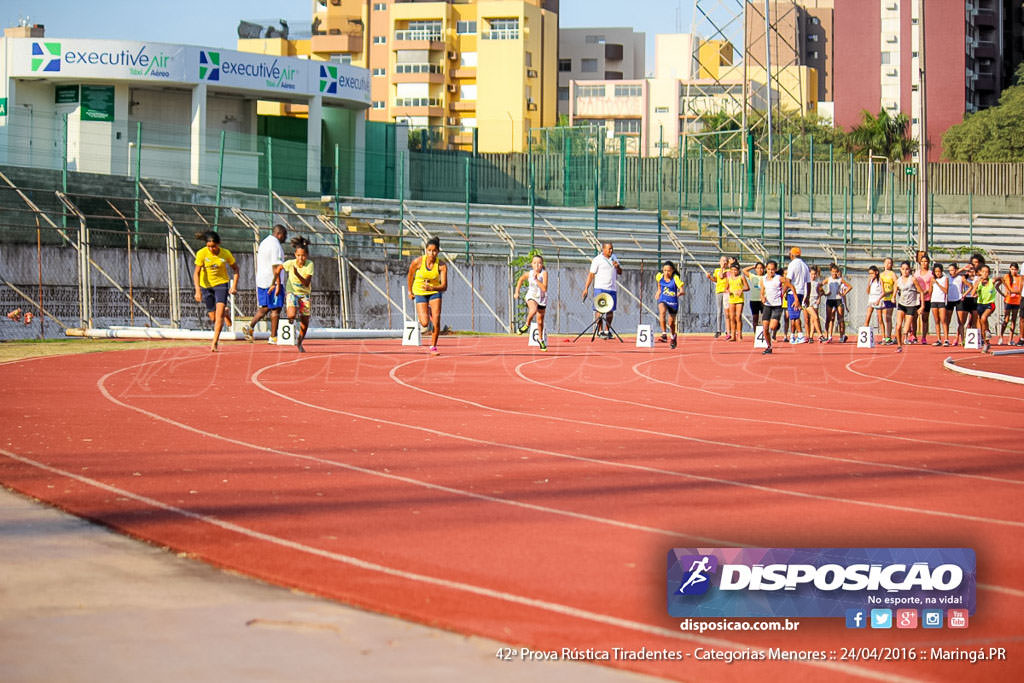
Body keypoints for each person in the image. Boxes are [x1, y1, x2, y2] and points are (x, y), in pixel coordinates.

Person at [192, 230, 239, 352]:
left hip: (221, 285)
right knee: (213, 318)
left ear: (219, 244)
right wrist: (198, 291)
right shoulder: (202, 253)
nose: (211, 249)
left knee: (218, 317)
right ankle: (225, 312)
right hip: (206, 286)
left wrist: (234, 286)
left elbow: (236, 269)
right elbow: (196, 273)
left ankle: (214, 343)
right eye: (209, 247)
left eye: (214, 246)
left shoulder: (225, 254)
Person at [244, 224, 287, 344]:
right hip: (271, 281)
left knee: (265, 307)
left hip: (262, 280)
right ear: (280, 234)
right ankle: (273, 337)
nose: (285, 238)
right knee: (276, 309)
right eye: (285, 235)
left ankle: (250, 326)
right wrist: (277, 284)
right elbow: (275, 266)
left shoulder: (265, 242)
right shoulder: (275, 245)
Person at [407, 236, 448, 355]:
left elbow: (444, 286)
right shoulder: (417, 262)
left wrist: (433, 288)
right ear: (425, 250)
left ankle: (433, 347)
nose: (432, 253)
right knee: (424, 323)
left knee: (436, 320)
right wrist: (410, 291)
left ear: (438, 252)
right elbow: (410, 276)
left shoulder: (441, 266)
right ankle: (428, 309)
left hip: (434, 292)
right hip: (420, 292)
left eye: (434, 251)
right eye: (429, 250)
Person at [581, 242, 622, 339]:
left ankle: (607, 330)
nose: (611, 251)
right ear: (603, 249)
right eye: (609, 249)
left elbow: (620, 272)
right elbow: (591, 274)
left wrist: (617, 267)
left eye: (612, 248)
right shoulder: (597, 260)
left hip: (612, 288)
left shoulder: (614, 258)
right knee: (599, 309)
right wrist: (586, 288)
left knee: (610, 310)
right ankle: (600, 331)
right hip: (600, 288)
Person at [760, 260, 799, 355]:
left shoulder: (779, 278)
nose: (770, 271)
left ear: (776, 269)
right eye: (769, 269)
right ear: (766, 269)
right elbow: (762, 291)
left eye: (772, 269)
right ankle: (769, 346)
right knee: (765, 328)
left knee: (772, 326)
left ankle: (776, 324)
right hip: (767, 305)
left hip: (777, 305)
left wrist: (796, 298)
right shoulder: (763, 279)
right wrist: (762, 297)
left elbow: (791, 286)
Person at [282, 236, 314, 353]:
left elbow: (306, 283)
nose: (301, 258)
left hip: (304, 295)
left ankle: (299, 341)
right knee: (291, 315)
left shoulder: (310, 265)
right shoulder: (290, 263)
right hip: (292, 293)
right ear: (295, 255)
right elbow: (278, 268)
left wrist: (297, 273)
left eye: (303, 256)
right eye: (299, 255)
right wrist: (274, 284)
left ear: (307, 256)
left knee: (305, 322)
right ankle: (291, 319)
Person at [514, 254, 549, 351]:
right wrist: (517, 292)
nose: (537, 265)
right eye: (535, 263)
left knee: (540, 321)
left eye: (539, 263)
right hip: (531, 296)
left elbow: (544, 288)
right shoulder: (529, 273)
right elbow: (521, 279)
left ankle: (540, 339)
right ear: (531, 264)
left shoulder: (544, 273)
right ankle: (526, 325)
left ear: (542, 264)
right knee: (533, 310)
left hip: (542, 298)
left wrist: (536, 280)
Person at [894, 261, 926, 353]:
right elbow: (895, 290)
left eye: (907, 269)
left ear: (910, 270)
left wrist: (922, 306)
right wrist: (893, 298)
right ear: (900, 269)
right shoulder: (898, 280)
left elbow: (921, 292)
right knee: (898, 326)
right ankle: (899, 345)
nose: (905, 271)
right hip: (901, 304)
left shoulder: (913, 279)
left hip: (911, 305)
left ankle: (907, 335)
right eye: (903, 269)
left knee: (905, 329)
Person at [654, 261, 686, 349]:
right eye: (664, 270)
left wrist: (680, 293)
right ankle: (664, 334)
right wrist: (659, 291)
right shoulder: (659, 276)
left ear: (672, 271)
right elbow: (659, 284)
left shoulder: (675, 278)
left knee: (671, 323)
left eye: (668, 271)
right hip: (663, 298)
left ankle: (673, 336)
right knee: (662, 312)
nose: (666, 273)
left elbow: (682, 290)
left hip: (672, 301)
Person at [785, 247, 810, 343]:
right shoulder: (804, 265)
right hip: (801, 292)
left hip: (793, 293)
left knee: (795, 316)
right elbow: (808, 283)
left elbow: (788, 281)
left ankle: (800, 335)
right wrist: (807, 297)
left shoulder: (792, 264)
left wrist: (784, 292)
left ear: (792, 255)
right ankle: (793, 336)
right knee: (793, 316)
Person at [970, 264, 998, 353]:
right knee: (982, 324)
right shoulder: (978, 282)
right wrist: (976, 285)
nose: (985, 274)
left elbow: (1001, 278)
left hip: (990, 304)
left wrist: (1003, 287)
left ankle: (987, 332)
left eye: (986, 272)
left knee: (983, 318)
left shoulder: (991, 281)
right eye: (983, 272)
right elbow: (972, 293)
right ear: (980, 273)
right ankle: (986, 343)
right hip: (980, 304)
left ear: (989, 273)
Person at [822, 263, 852, 343]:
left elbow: (849, 286)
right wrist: (825, 293)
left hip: (838, 300)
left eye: (836, 272)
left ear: (838, 272)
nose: (834, 273)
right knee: (829, 318)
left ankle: (842, 336)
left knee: (840, 319)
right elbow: (819, 286)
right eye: (833, 272)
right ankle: (827, 335)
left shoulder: (840, 279)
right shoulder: (828, 279)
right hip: (830, 300)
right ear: (830, 272)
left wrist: (843, 293)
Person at [995, 263, 1022, 345]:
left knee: (1014, 320)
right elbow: (997, 286)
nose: (1013, 271)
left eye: (1015, 269)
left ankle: (1010, 339)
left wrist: (1013, 292)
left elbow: (1020, 290)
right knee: (1006, 320)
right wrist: (1003, 294)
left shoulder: (1019, 278)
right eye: (1012, 269)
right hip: (1008, 301)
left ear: (1017, 270)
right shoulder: (1006, 277)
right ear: (1010, 269)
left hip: (1016, 301)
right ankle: (1001, 337)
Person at [705, 256, 730, 339]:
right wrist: (710, 277)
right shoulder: (717, 270)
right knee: (719, 311)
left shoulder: (729, 271)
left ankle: (728, 330)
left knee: (727, 312)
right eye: (723, 261)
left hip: (726, 292)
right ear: (720, 262)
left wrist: (723, 268)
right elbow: (716, 279)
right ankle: (718, 330)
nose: (724, 262)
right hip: (719, 291)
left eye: (725, 261)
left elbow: (722, 276)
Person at [912, 254, 934, 344]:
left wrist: (925, 292)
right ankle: (914, 335)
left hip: (926, 298)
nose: (924, 263)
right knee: (914, 317)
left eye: (926, 261)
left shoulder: (930, 273)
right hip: (917, 298)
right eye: (922, 261)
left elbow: (931, 286)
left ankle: (924, 337)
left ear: (928, 262)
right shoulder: (917, 273)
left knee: (925, 318)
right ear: (920, 262)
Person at [725, 262, 749, 342]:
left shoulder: (741, 277)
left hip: (739, 299)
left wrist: (741, 290)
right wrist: (730, 291)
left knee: (738, 317)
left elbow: (747, 287)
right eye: (732, 270)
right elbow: (726, 288)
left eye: (735, 270)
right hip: (732, 299)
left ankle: (739, 335)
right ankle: (733, 336)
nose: (733, 272)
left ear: (738, 270)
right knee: (732, 317)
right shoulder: (728, 278)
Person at [945, 262, 965, 346]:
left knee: (960, 321)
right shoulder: (947, 278)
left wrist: (964, 294)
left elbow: (968, 286)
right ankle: (946, 339)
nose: (951, 272)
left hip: (959, 300)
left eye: (952, 270)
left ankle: (963, 340)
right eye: (949, 270)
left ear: (956, 270)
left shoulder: (961, 278)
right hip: (950, 300)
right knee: (947, 320)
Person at [879, 257, 897, 344]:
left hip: (890, 297)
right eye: (886, 262)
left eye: (889, 263)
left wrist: (893, 295)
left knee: (888, 317)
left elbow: (896, 285)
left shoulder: (892, 274)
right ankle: (885, 336)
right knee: (884, 318)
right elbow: (881, 286)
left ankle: (889, 336)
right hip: (884, 297)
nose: (887, 264)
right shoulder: (881, 274)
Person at [804, 264, 824, 343]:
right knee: (814, 317)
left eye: (815, 274)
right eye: (812, 274)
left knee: (813, 319)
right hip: (808, 301)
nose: (813, 276)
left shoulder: (817, 283)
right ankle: (820, 335)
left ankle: (811, 337)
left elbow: (820, 292)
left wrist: (819, 298)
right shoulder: (806, 282)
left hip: (815, 300)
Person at [743, 262, 765, 332]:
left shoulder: (766, 277)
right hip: (754, 300)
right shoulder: (753, 276)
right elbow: (744, 270)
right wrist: (753, 266)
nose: (760, 270)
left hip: (763, 300)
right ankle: (756, 334)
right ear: (755, 269)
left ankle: (764, 335)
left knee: (763, 319)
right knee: (755, 318)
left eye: (761, 268)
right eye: (758, 268)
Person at [864, 265, 885, 335]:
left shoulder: (880, 280)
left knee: (880, 319)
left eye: (872, 273)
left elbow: (883, 292)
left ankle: (884, 337)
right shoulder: (871, 281)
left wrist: (878, 300)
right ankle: (865, 335)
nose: (871, 275)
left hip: (878, 300)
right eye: (869, 274)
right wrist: (868, 284)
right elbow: (867, 292)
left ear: (876, 272)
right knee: (867, 318)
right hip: (871, 300)